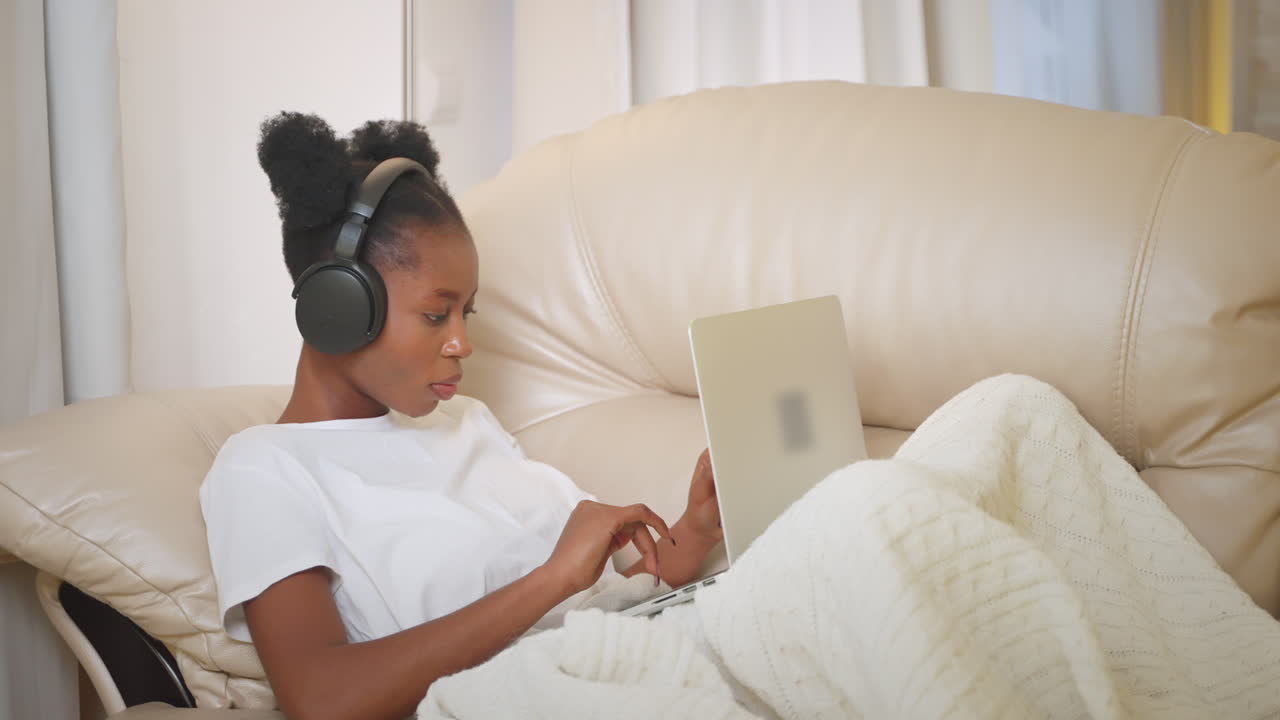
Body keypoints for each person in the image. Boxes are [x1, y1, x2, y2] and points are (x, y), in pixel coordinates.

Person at [199, 113, 723, 720]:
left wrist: (700, 530)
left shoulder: (468, 423)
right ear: (337, 305)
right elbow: (319, 698)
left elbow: (624, 595)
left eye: (465, 314)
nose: (461, 343)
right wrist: (551, 579)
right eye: (435, 315)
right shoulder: (264, 469)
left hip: (642, 656)